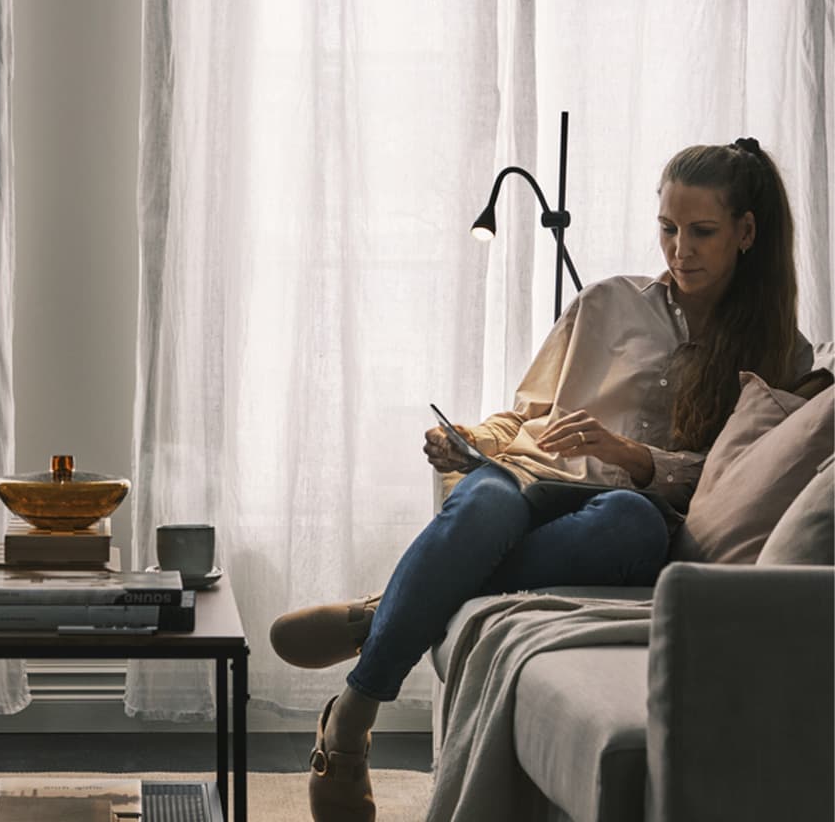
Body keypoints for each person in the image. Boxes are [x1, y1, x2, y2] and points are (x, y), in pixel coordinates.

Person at [270, 138, 813, 822]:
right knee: (483, 508)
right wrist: (470, 439)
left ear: (747, 232)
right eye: (667, 229)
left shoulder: (781, 355)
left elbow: (738, 473)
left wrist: (636, 456)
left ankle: (382, 629)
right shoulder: (610, 302)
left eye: (701, 232)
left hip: (617, 507)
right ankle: (355, 721)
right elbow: (528, 414)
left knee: (635, 526)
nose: (679, 250)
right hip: (528, 473)